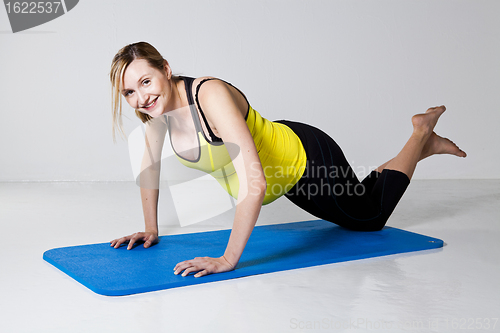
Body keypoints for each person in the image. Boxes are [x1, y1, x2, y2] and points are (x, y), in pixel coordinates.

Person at [109, 42, 466, 278]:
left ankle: (420, 137)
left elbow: (255, 183)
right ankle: (423, 145)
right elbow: (149, 170)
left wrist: (228, 259)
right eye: (129, 91)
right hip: (282, 176)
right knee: (360, 199)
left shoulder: (209, 95)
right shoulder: (155, 116)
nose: (141, 97)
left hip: (304, 160)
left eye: (145, 81)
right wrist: (151, 229)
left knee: (370, 219)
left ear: (166, 70)